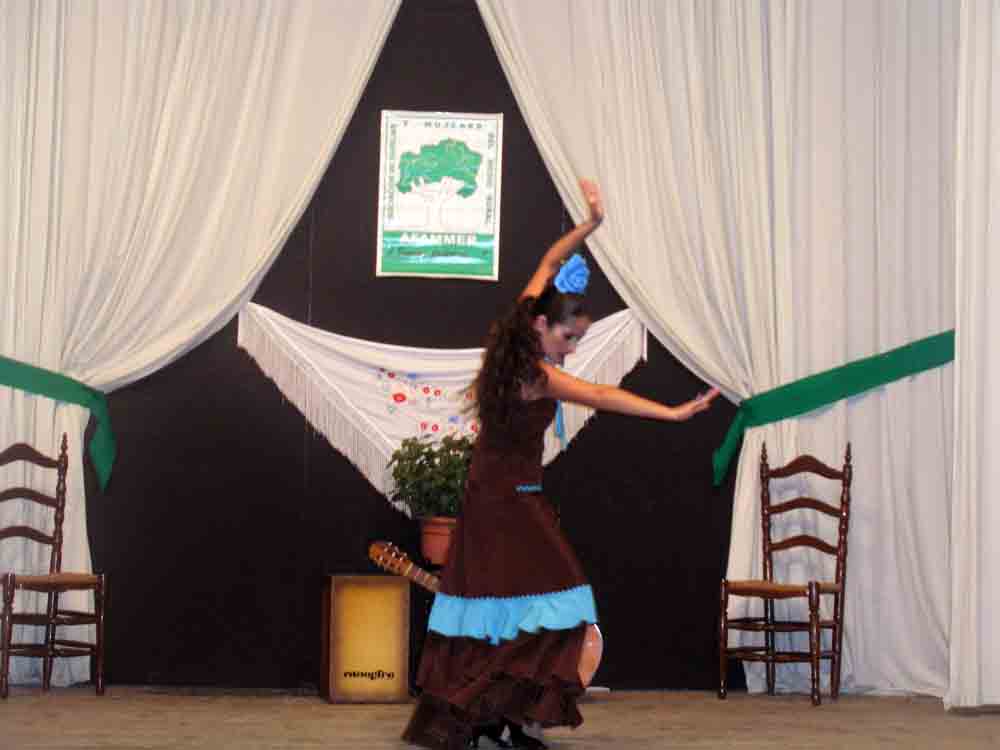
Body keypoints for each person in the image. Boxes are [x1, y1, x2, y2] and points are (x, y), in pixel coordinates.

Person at [402, 180, 720, 750]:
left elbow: (550, 262)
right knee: (556, 601)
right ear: (543, 327)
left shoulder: (518, 334)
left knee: (501, 610)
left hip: (499, 496)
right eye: (568, 337)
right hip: (507, 503)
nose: (571, 348)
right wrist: (671, 413)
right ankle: (500, 714)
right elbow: (599, 395)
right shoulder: (535, 375)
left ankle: (497, 716)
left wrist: (590, 226)